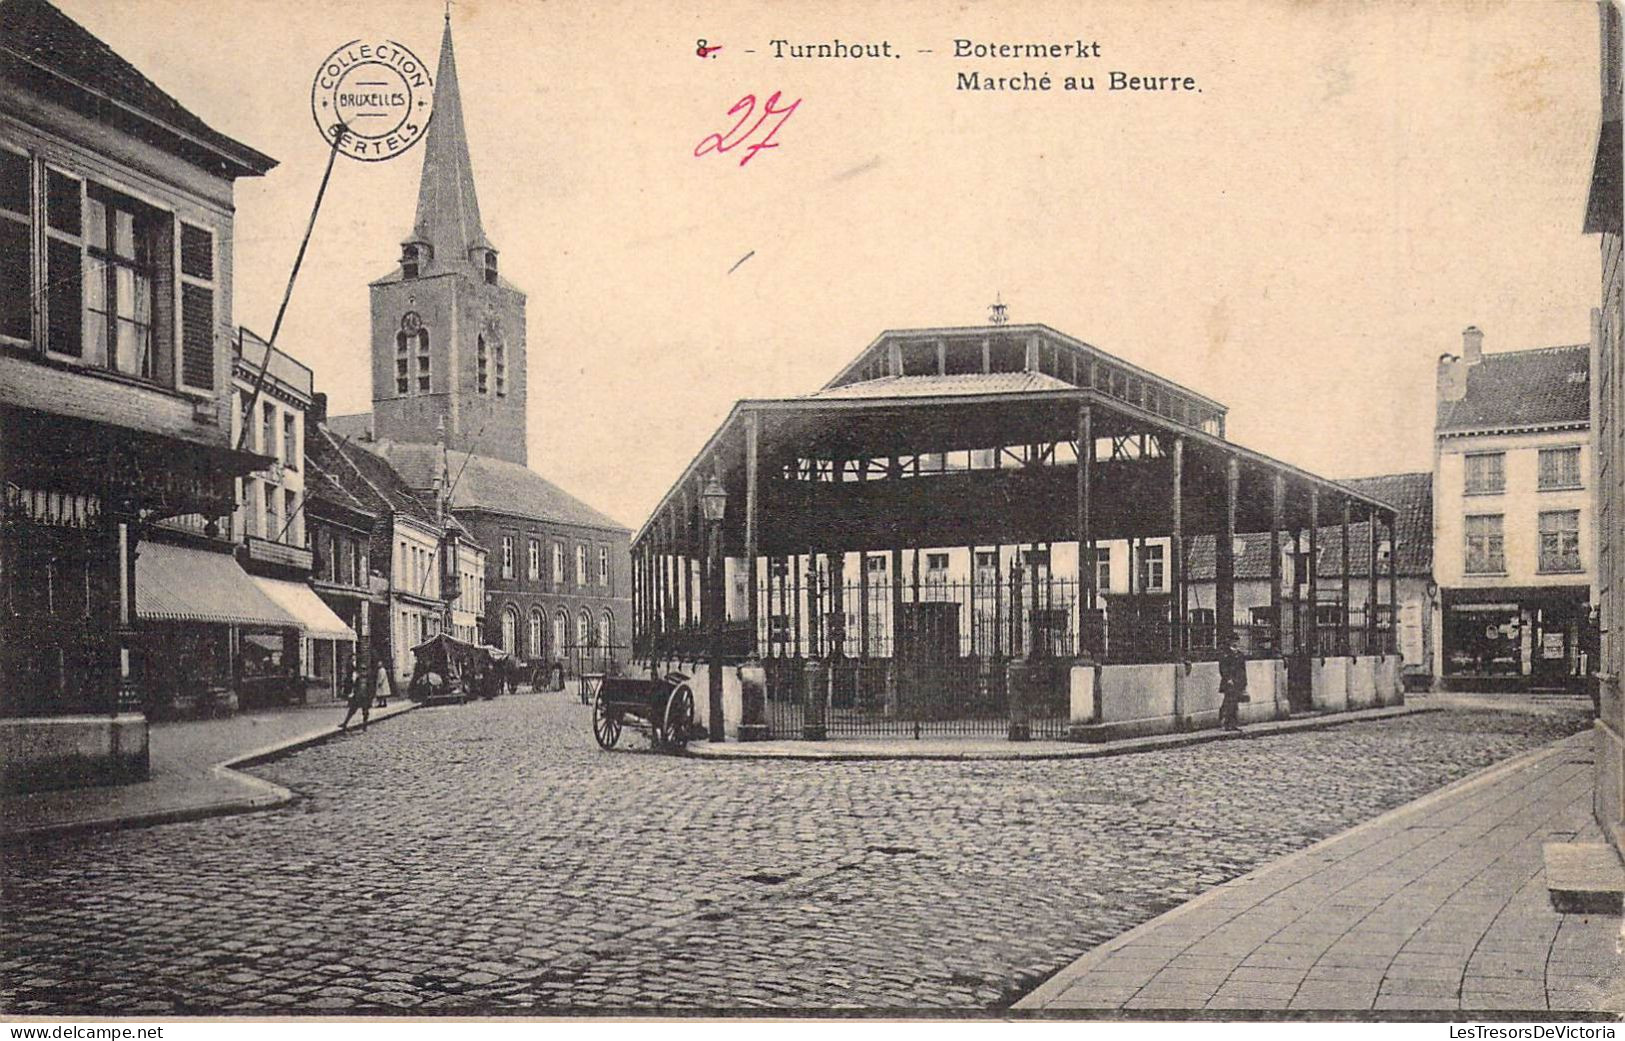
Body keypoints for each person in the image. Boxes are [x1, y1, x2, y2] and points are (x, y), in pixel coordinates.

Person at [1218, 632, 1248, 732]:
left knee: (1234, 703)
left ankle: (1233, 723)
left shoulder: (1239, 654)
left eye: (1236, 640)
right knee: (1229, 702)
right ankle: (1226, 722)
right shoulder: (1225, 654)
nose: (1235, 642)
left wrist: (1244, 683)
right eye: (1233, 640)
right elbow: (1223, 668)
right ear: (1229, 642)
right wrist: (1228, 679)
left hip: (1238, 681)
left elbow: (1243, 670)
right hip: (1229, 682)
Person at [340, 664, 374, 730]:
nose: (363, 672)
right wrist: (353, 694)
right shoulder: (358, 679)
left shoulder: (369, 679)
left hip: (365, 698)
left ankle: (365, 725)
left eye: (364, 670)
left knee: (365, 712)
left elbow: (371, 690)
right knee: (351, 711)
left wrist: (370, 699)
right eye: (361, 670)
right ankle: (345, 723)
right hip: (358, 697)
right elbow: (355, 687)